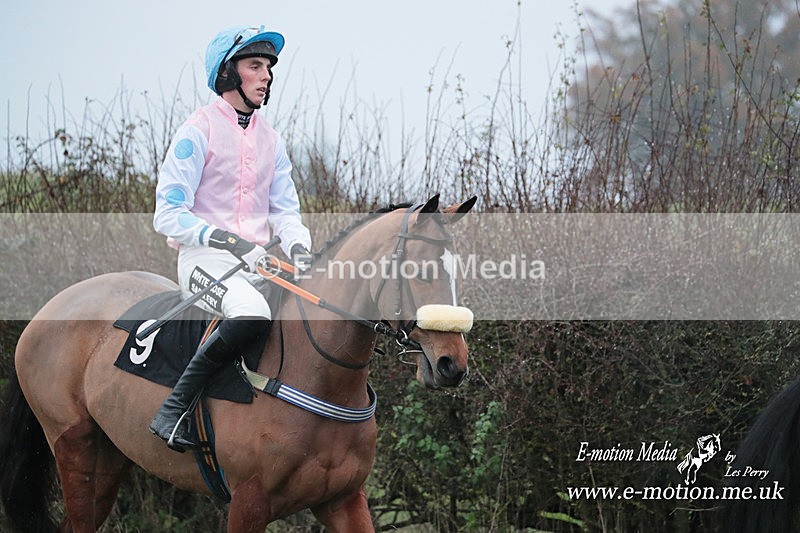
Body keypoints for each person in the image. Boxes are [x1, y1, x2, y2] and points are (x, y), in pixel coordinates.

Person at [149, 25, 312, 452]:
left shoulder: (271, 140)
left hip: (258, 264)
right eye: (255, 65)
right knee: (252, 313)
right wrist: (229, 241)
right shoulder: (196, 130)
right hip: (203, 261)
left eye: (269, 68)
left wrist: (300, 247)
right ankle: (173, 409)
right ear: (227, 74)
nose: (266, 76)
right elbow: (168, 214)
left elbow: (285, 211)